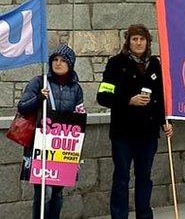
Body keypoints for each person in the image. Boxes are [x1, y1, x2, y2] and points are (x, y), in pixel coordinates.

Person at [96, 24, 173, 219]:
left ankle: (144, 215)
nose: (138, 43)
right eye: (134, 39)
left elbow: (162, 97)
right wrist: (129, 100)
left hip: (148, 133)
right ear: (128, 42)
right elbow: (103, 96)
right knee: (122, 178)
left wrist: (166, 121)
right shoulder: (116, 63)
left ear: (148, 42)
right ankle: (119, 216)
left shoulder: (155, 65)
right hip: (123, 133)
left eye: (142, 39)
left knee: (145, 178)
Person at [18, 44, 84, 219]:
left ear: (70, 64)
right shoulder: (39, 82)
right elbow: (22, 108)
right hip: (40, 146)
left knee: (57, 194)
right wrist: (39, 98)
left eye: (63, 60)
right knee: (43, 194)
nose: (58, 63)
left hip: (62, 147)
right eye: (55, 59)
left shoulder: (76, 88)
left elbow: (79, 119)